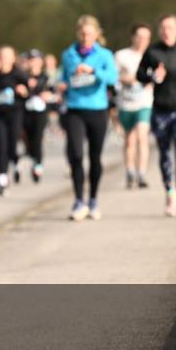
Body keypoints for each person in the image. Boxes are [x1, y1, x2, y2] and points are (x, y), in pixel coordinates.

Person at [136, 14, 176, 217]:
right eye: (163, 28)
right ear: (159, 31)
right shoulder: (152, 51)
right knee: (165, 154)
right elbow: (139, 73)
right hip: (161, 110)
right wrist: (152, 77)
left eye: (170, 28)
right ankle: (170, 193)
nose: (166, 31)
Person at [60, 15, 118, 221]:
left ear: (96, 35)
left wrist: (93, 70)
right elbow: (63, 78)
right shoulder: (68, 54)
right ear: (78, 34)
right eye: (83, 34)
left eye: (89, 34)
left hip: (97, 109)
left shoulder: (104, 55)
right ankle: (78, 201)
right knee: (76, 155)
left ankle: (93, 199)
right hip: (75, 109)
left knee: (95, 158)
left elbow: (113, 78)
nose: (85, 37)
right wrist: (62, 85)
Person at [115, 24, 154, 189]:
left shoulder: (153, 56)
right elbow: (113, 77)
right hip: (126, 103)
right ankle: (130, 171)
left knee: (142, 136)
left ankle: (142, 174)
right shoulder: (121, 55)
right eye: (139, 36)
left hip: (144, 102)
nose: (142, 40)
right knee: (129, 140)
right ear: (133, 37)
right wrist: (127, 78)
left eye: (146, 37)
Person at [0, 46, 28, 196]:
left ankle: (16, 162)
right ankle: (2, 179)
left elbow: (29, 93)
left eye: (6, 55)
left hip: (15, 114)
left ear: (13, 58)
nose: (3, 58)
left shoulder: (19, 74)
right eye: (1, 55)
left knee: (12, 144)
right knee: (1, 146)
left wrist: (24, 92)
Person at [22, 50, 53, 183]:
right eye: (31, 59)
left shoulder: (45, 77)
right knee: (27, 139)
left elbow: (52, 93)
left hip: (40, 112)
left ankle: (38, 165)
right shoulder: (23, 76)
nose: (33, 62)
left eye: (36, 59)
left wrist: (47, 95)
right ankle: (32, 156)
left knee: (38, 138)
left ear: (41, 61)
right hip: (25, 111)